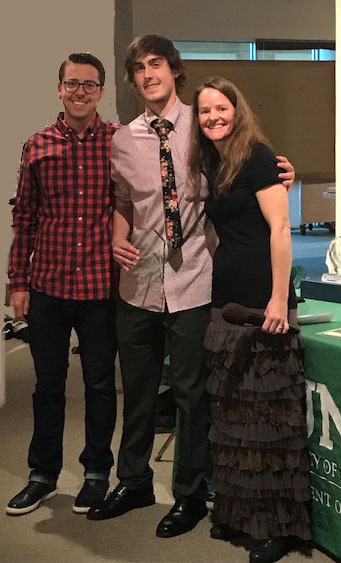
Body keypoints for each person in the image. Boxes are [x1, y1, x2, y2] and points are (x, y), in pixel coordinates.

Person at [87, 35, 295, 539]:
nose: (148, 74)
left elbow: (248, 165)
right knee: (138, 390)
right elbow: (124, 201)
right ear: (132, 79)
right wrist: (116, 238)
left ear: (174, 70)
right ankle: (133, 481)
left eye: (156, 63)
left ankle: (190, 493)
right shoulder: (123, 139)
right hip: (139, 283)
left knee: (190, 393)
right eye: (139, 68)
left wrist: (281, 171)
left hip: (195, 280)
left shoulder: (203, 129)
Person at [188, 76, 311, 563]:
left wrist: (279, 298)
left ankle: (275, 527)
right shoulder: (213, 162)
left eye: (221, 108)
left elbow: (280, 228)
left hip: (264, 298)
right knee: (235, 414)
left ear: (236, 110)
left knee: (267, 418)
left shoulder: (258, 156)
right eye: (205, 111)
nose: (213, 117)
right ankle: (240, 514)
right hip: (226, 300)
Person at [6, 53, 118, 516]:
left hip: (101, 289)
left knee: (100, 386)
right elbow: (25, 218)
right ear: (59, 89)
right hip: (48, 286)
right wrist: (18, 282)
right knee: (48, 385)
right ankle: (42, 475)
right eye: (72, 83)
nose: (80, 92)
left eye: (89, 84)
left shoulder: (119, 142)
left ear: (101, 92)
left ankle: (96, 474)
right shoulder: (37, 145)